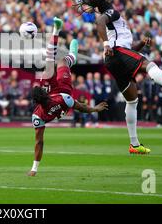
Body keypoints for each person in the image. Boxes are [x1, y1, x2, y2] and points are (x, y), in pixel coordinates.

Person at [72, 0, 162, 154]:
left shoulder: (117, 22)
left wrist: (140, 44)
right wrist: (105, 44)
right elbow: (100, 21)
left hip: (115, 57)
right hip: (116, 52)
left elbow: (128, 48)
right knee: (150, 65)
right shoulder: (111, 12)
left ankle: (134, 144)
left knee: (132, 100)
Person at [28, 18, 108, 176]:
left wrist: (34, 168)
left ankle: (56, 31)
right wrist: (93, 109)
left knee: (50, 61)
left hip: (54, 91)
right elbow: (80, 106)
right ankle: (72, 53)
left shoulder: (37, 116)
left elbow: (39, 142)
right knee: (62, 61)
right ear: (42, 96)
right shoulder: (62, 100)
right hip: (62, 90)